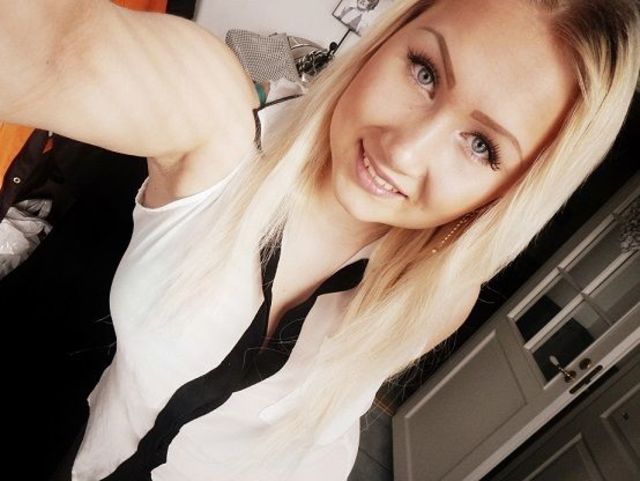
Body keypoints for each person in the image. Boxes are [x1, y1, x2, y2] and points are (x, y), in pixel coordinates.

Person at [1, 0, 639, 480]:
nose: (404, 150)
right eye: (424, 71)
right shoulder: (222, 132)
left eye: (480, 145)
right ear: (387, 39)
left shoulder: (440, 294)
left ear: (514, 192)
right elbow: (54, 47)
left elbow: (324, 431)